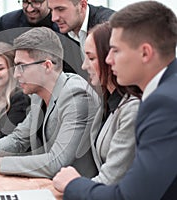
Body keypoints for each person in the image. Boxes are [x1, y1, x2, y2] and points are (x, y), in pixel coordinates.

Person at [53, 1, 177, 199]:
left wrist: (73, 184)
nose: (109, 60)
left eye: (116, 50)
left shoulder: (163, 103)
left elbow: (128, 196)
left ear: (145, 53)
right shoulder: (163, 93)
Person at [0, 27, 99, 179]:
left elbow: (56, 161)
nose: (16, 73)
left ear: (47, 66)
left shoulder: (76, 96)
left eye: (22, 66)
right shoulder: (38, 95)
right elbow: (19, 138)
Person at [53, 21, 142, 188]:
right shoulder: (106, 101)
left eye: (91, 58)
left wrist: (72, 183)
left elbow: (110, 180)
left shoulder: (132, 108)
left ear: (111, 59)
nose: (84, 65)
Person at [48, 0, 114, 61]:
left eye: (60, 9)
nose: (54, 18)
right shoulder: (57, 29)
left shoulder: (109, 26)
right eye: (51, 10)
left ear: (82, 5)